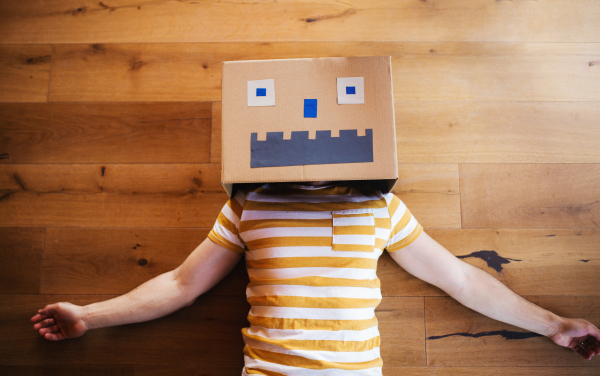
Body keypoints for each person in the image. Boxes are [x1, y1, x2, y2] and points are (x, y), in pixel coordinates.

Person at [32, 181, 600, 374]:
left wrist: (551, 324)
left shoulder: (377, 205)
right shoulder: (248, 204)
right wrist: (89, 315)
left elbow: (460, 278)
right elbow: (182, 285)